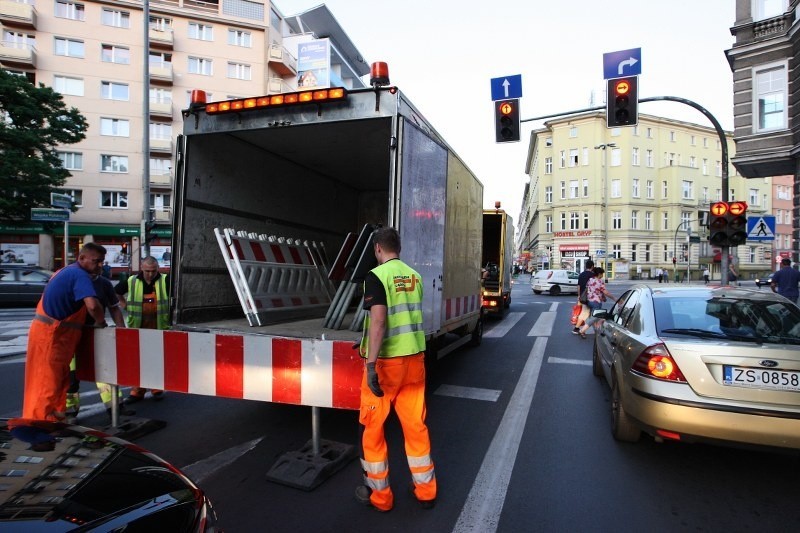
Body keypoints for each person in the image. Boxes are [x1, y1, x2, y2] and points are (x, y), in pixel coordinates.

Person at [354, 227, 436, 512]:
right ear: (397, 248)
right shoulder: (414, 276)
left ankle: (381, 497)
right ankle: (426, 491)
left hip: (387, 365)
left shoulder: (376, 276)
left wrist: (371, 364)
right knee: (415, 426)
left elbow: (379, 322)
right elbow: (406, 317)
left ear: (378, 248)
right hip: (414, 361)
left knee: (374, 429)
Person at [22, 242, 107, 421]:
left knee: (59, 381)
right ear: (81, 258)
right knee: (47, 384)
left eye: (102, 261)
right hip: (52, 337)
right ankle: (38, 429)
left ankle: (54, 421)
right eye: (96, 261)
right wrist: (101, 322)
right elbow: (92, 305)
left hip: (54, 336)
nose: (100, 265)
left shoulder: (65, 272)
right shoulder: (79, 275)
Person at [66, 265, 134, 423]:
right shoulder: (73, 281)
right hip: (73, 335)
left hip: (97, 334)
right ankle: (70, 411)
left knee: (106, 373)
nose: (97, 268)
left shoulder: (104, 284)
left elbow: (114, 308)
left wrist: (121, 331)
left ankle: (116, 408)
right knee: (71, 376)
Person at [116, 256, 170, 403]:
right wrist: (123, 304)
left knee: (155, 358)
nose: (150, 274)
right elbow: (116, 292)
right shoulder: (132, 281)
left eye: (153, 271)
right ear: (141, 267)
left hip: (159, 327)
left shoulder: (165, 280)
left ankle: (156, 388)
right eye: (147, 271)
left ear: (157, 268)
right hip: (137, 328)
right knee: (137, 360)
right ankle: (137, 391)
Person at [578, 267, 616, 339]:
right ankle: (582, 330)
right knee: (594, 317)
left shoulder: (590, 279)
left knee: (597, 317)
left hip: (588, 301)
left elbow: (592, 290)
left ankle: (597, 333)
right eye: (602, 274)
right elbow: (605, 292)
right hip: (596, 302)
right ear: (599, 274)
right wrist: (614, 298)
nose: (602, 275)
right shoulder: (600, 281)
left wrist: (603, 297)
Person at [573, 260, 595, 334]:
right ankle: (576, 328)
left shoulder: (581, 274)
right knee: (585, 312)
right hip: (589, 297)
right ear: (592, 266)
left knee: (587, 312)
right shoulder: (592, 275)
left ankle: (583, 328)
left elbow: (578, 286)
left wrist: (579, 295)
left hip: (582, 296)